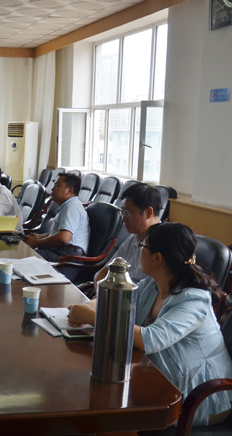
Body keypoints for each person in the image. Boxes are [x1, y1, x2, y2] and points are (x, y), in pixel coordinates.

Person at [68, 223, 232, 426]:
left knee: (98, 405)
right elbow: (122, 301)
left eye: (143, 246)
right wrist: (89, 307)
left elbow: (151, 340)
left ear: (157, 259)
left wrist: (94, 317)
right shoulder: (153, 284)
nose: (139, 251)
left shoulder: (194, 299)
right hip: (156, 375)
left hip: (198, 394)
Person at [93, 183, 161, 284]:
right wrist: (102, 291)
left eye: (127, 213)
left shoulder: (165, 245)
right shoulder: (132, 240)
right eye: (123, 212)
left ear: (148, 213)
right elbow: (102, 274)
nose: (123, 219)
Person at [23, 172, 89, 264]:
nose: (52, 189)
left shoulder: (72, 207)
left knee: (24, 257)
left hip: (68, 256)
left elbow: (63, 238)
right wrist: (37, 237)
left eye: (57, 186)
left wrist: (37, 242)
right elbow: (56, 233)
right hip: (62, 251)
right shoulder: (68, 206)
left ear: (70, 190)